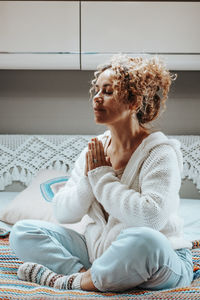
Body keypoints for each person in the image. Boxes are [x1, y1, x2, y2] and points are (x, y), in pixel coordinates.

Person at [9, 54, 193, 292]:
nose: (96, 98)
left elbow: (151, 218)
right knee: (23, 232)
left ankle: (73, 280)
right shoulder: (94, 150)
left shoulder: (159, 153)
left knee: (146, 241)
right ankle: (82, 277)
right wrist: (90, 177)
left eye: (107, 91)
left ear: (133, 101)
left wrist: (102, 177)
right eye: (96, 90)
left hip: (160, 260)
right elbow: (63, 212)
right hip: (99, 253)